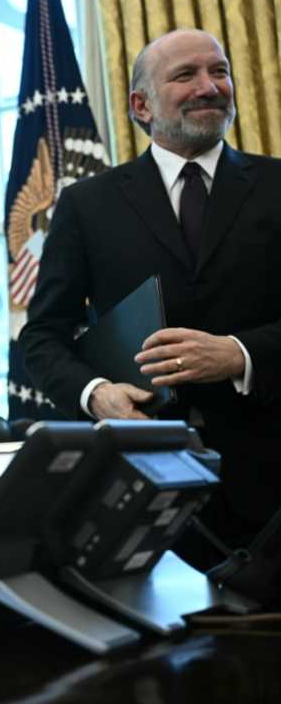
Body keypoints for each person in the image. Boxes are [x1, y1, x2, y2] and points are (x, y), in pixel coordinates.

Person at [20, 28, 281, 566]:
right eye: (186, 75)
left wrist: (240, 354)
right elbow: (43, 337)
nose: (210, 86)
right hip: (145, 490)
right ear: (141, 105)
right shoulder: (86, 206)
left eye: (220, 71)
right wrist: (96, 394)